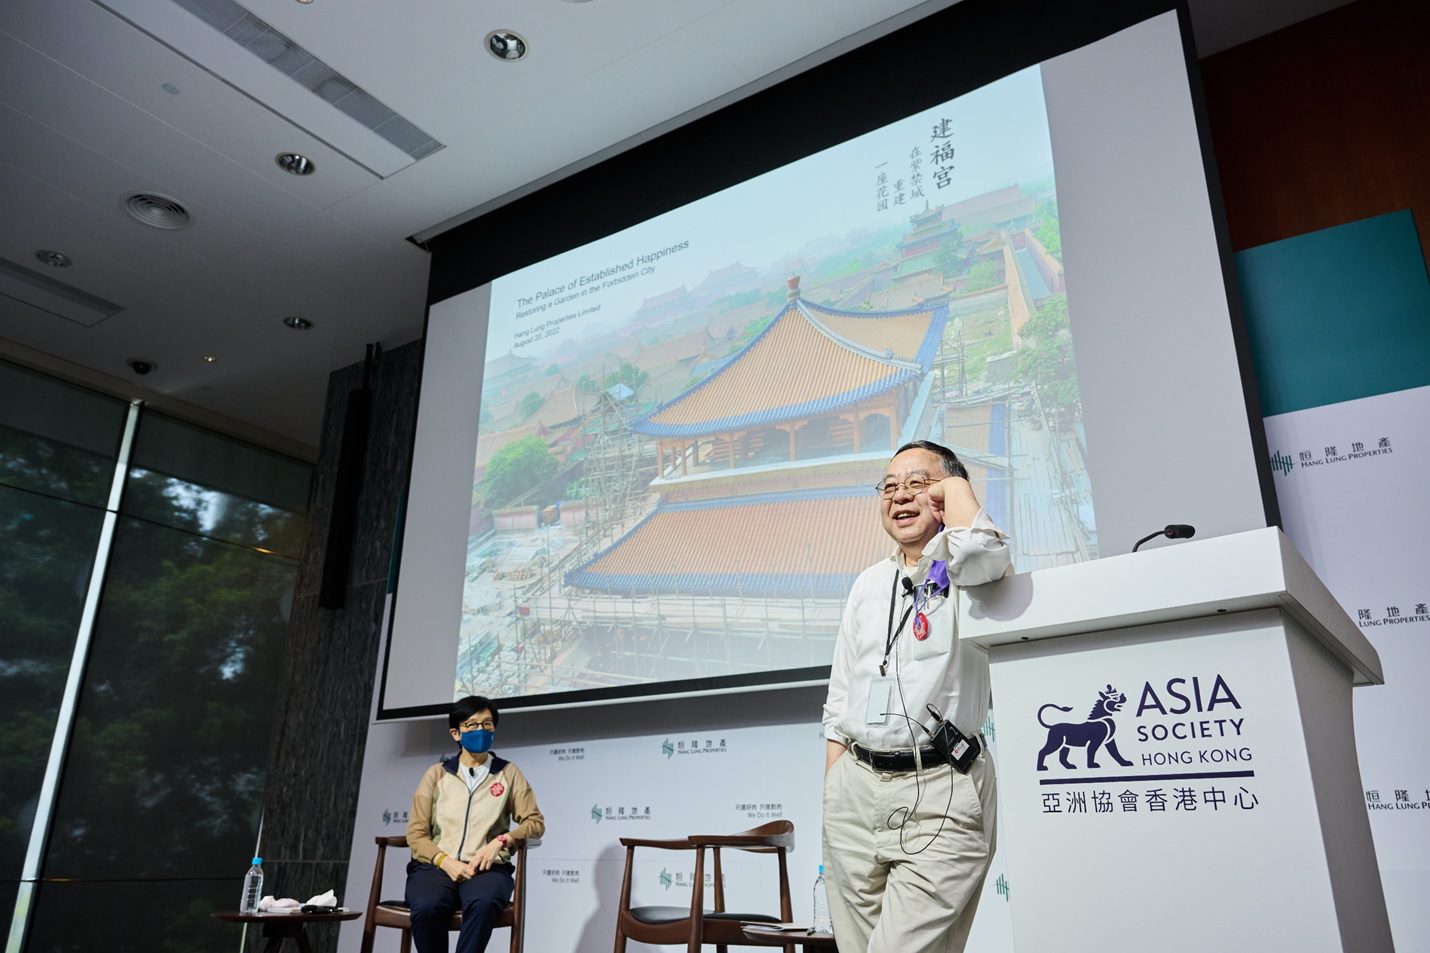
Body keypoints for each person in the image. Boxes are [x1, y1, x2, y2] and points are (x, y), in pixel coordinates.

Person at [821, 440, 1012, 953]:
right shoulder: (868, 583)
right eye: (889, 486)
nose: (900, 496)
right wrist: (835, 790)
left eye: (918, 483)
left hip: (940, 787)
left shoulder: (970, 573)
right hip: (855, 790)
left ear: (948, 492)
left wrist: (955, 486)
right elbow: (840, 697)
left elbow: (983, 550)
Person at [405, 695, 545, 953]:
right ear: (456, 733)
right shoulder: (437, 774)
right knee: (426, 906)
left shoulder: (508, 772)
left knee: (484, 903)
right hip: (436, 867)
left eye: (487, 724)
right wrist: (445, 861)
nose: (481, 730)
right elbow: (416, 834)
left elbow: (535, 823)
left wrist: (502, 840)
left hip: (487, 869)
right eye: (472, 725)